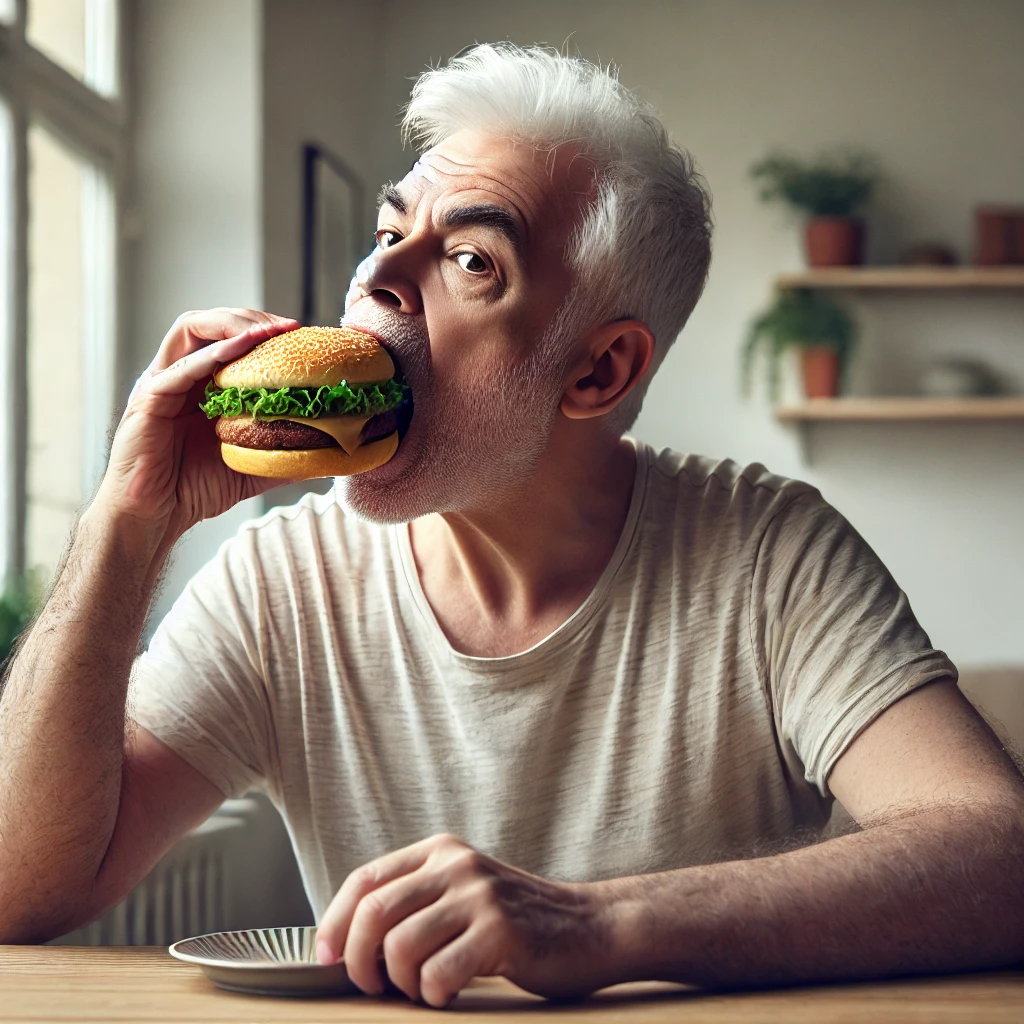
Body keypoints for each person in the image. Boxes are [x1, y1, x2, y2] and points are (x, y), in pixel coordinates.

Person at [0, 43, 1021, 1008]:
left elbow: (998, 853)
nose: (377, 285)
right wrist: (124, 524)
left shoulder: (767, 553)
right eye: (390, 233)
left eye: (472, 260)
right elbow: (18, 889)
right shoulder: (281, 581)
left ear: (597, 370)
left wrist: (601, 922)